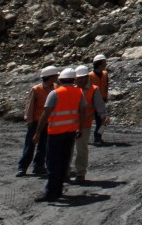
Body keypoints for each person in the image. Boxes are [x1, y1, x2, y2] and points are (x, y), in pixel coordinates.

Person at [33, 68, 86, 202]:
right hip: (71, 132)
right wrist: (80, 128)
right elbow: (82, 111)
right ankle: (58, 190)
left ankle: (51, 192)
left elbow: (45, 114)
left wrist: (37, 132)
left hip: (56, 133)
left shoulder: (55, 93)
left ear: (60, 80)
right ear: (73, 79)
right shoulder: (79, 92)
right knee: (64, 161)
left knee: (52, 163)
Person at [16, 65, 58, 177]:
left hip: (48, 121)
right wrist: (29, 119)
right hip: (35, 121)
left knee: (43, 145)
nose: (57, 77)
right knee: (30, 145)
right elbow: (30, 105)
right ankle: (22, 167)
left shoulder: (55, 88)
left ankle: (38, 166)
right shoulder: (36, 89)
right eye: (55, 76)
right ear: (50, 77)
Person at [71, 65, 106, 184]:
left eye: (82, 78)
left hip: (85, 124)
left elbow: (99, 106)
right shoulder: (72, 89)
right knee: (68, 150)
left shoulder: (93, 90)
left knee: (81, 150)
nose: (80, 80)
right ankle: (65, 172)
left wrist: (103, 117)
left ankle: (80, 174)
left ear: (87, 77)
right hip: (70, 125)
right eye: (78, 78)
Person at [89, 54, 109, 145]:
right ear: (99, 63)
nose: (106, 64)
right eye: (104, 62)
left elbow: (106, 85)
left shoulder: (105, 74)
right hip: (92, 101)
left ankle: (98, 137)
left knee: (104, 121)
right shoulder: (90, 76)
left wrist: (106, 96)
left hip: (102, 100)